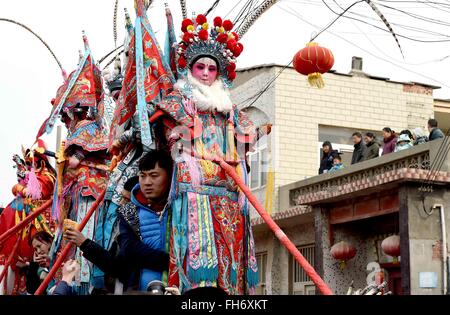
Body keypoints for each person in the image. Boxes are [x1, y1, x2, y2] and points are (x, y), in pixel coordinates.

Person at [47, 34, 110, 295]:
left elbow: (83, 156)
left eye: (72, 111)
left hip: (90, 193)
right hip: (76, 196)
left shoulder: (91, 128)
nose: (69, 117)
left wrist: (74, 161)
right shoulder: (83, 129)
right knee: (71, 244)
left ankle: (81, 282)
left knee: (84, 243)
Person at [0, 141, 56, 295]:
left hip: (43, 223)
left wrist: (19, 188)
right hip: (30, 222)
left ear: (41, 162)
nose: (28, 167)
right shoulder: (35, 176)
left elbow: (36, 192)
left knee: (41, 264)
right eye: (27, 164)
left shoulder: (48, 176)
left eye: (31, 163)